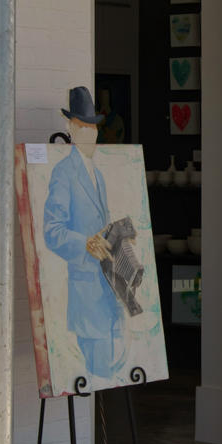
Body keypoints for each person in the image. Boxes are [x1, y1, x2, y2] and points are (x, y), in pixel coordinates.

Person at [44, 87, 124, 382]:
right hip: (87, 293)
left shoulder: (97, 173)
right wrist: (85, 243)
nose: (91, 134)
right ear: (70, 129)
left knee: (109, 373)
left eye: (94, 127)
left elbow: (100, 224)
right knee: (97, 373)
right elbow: (53, 231)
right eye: (83, 127)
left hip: (109, 288)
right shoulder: (65, 172)